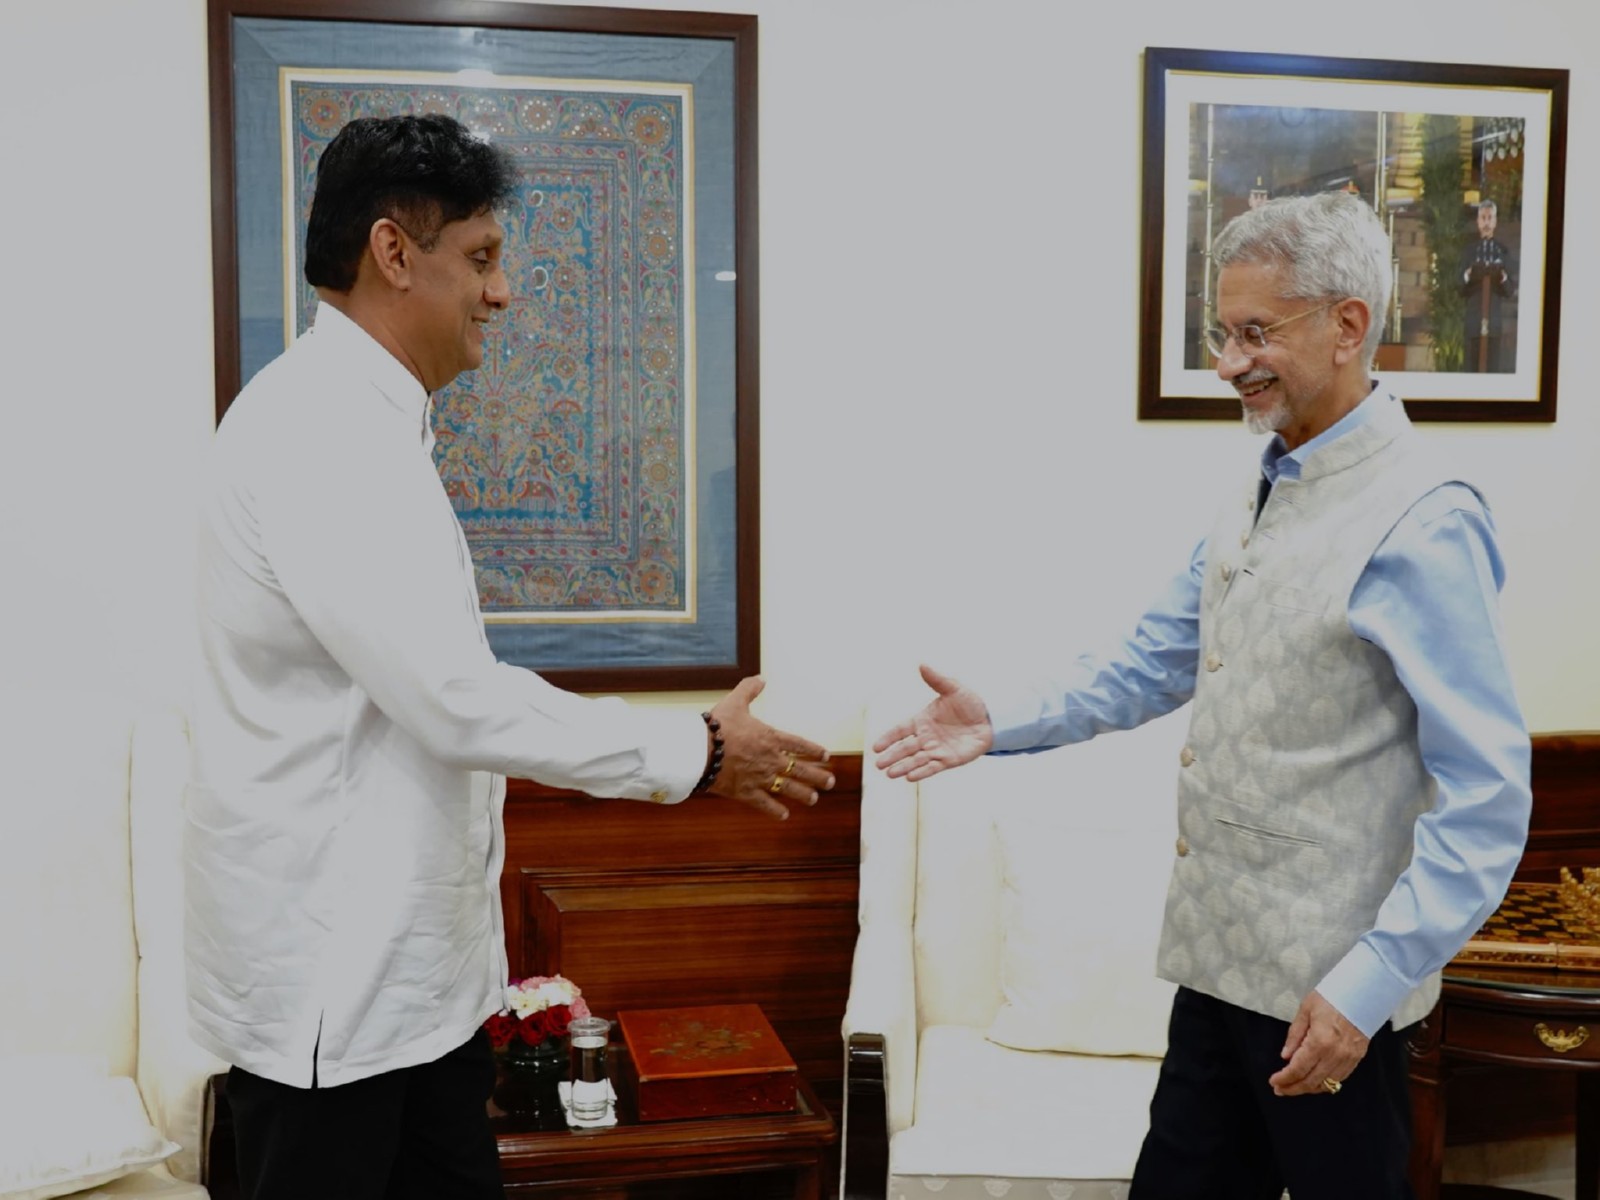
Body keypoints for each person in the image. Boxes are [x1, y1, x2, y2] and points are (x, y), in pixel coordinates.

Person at [186, 113, 834, 1200]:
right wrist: (699, 749)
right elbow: (453, 701)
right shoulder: (322, 437)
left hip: (415, 995)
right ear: (394, 253)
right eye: (481, 259)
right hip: (333, 1008)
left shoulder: (370, 421)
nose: (503, 293)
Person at [875, 192, 1530, 1198]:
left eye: (1253, 333)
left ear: (1347, 325)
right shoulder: (1256, 483)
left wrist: (1364, 990)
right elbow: (1152, 660)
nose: (1228, 362)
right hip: (1215, 969)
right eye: (1223, 333)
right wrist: (999, 719)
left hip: (1329, 1007)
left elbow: (1487, 803)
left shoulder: (1426, 519)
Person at [1460, 198, 1518, 372]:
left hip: (1493, 322)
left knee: (1492, 372)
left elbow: (1509, 290)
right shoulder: (1469, 251)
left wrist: (1502, 277)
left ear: (1495, 222)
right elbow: (1459, 288)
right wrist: (1468, 274)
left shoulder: (1503, 250)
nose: (1486, 222)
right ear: (1478, 221)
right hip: (1473, 321)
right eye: (1483, 218)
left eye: (1490, 218)